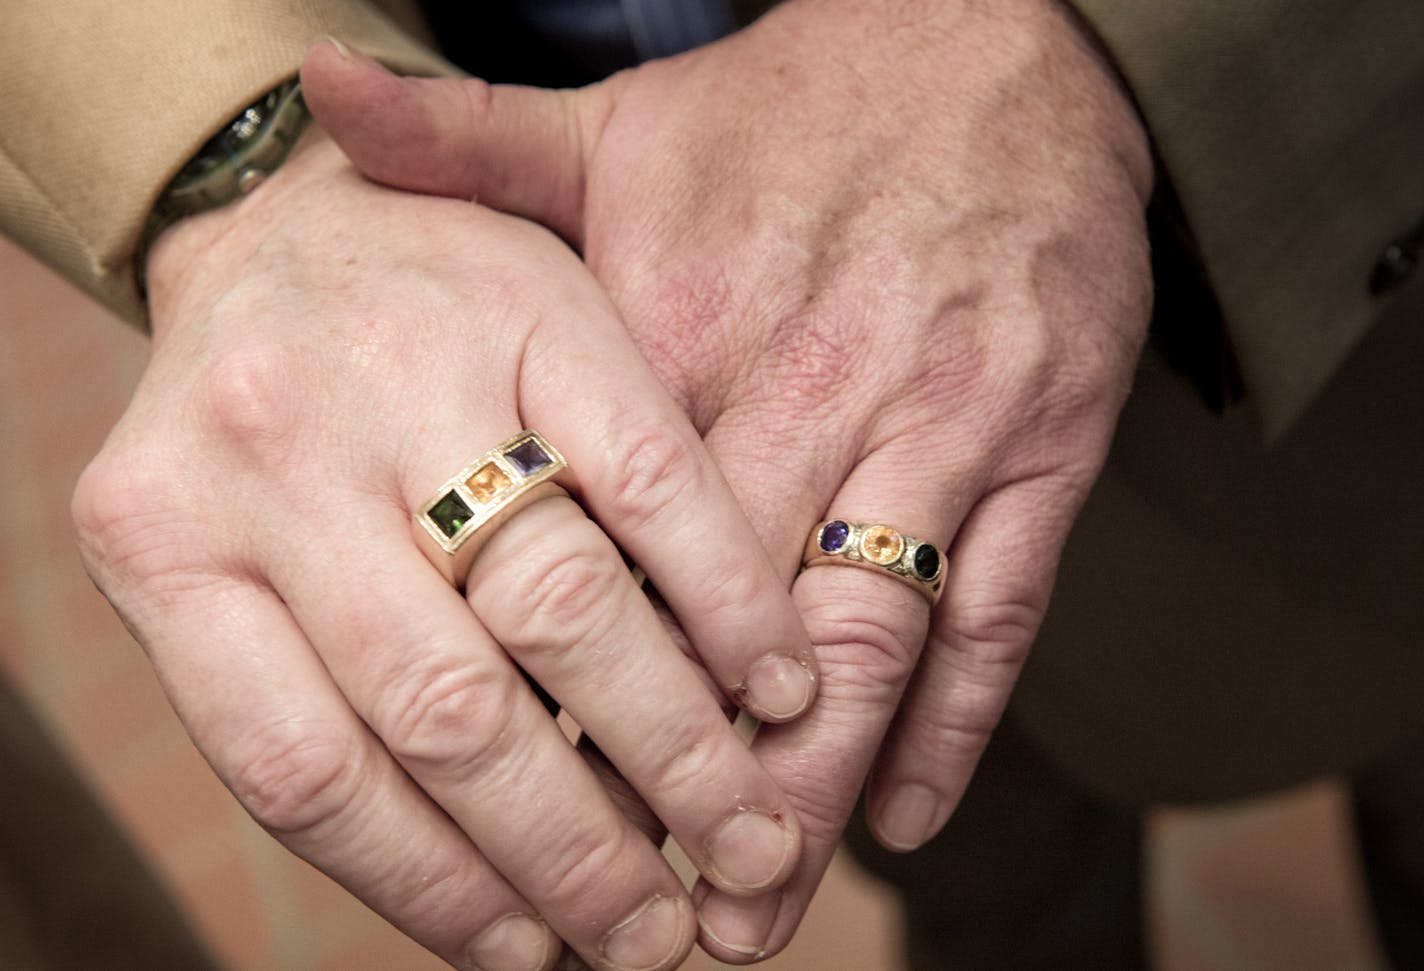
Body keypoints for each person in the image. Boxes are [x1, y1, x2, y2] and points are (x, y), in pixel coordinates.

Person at [2, 2, 1421, 970]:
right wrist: (241, 165)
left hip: (1304, 336)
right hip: (554, 330)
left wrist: (1079, 36)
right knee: (978, 882)